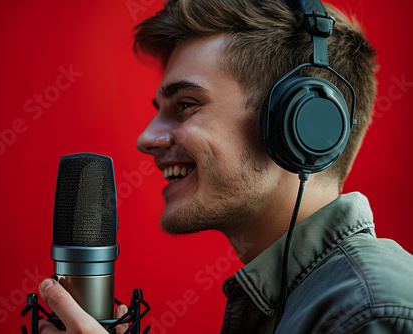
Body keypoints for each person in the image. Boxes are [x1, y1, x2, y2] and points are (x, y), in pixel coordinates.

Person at [38, 0, 413, 333]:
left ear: (296, 123)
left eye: (185, 104)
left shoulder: (373, 313)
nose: (146, 138)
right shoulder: (297, 301)